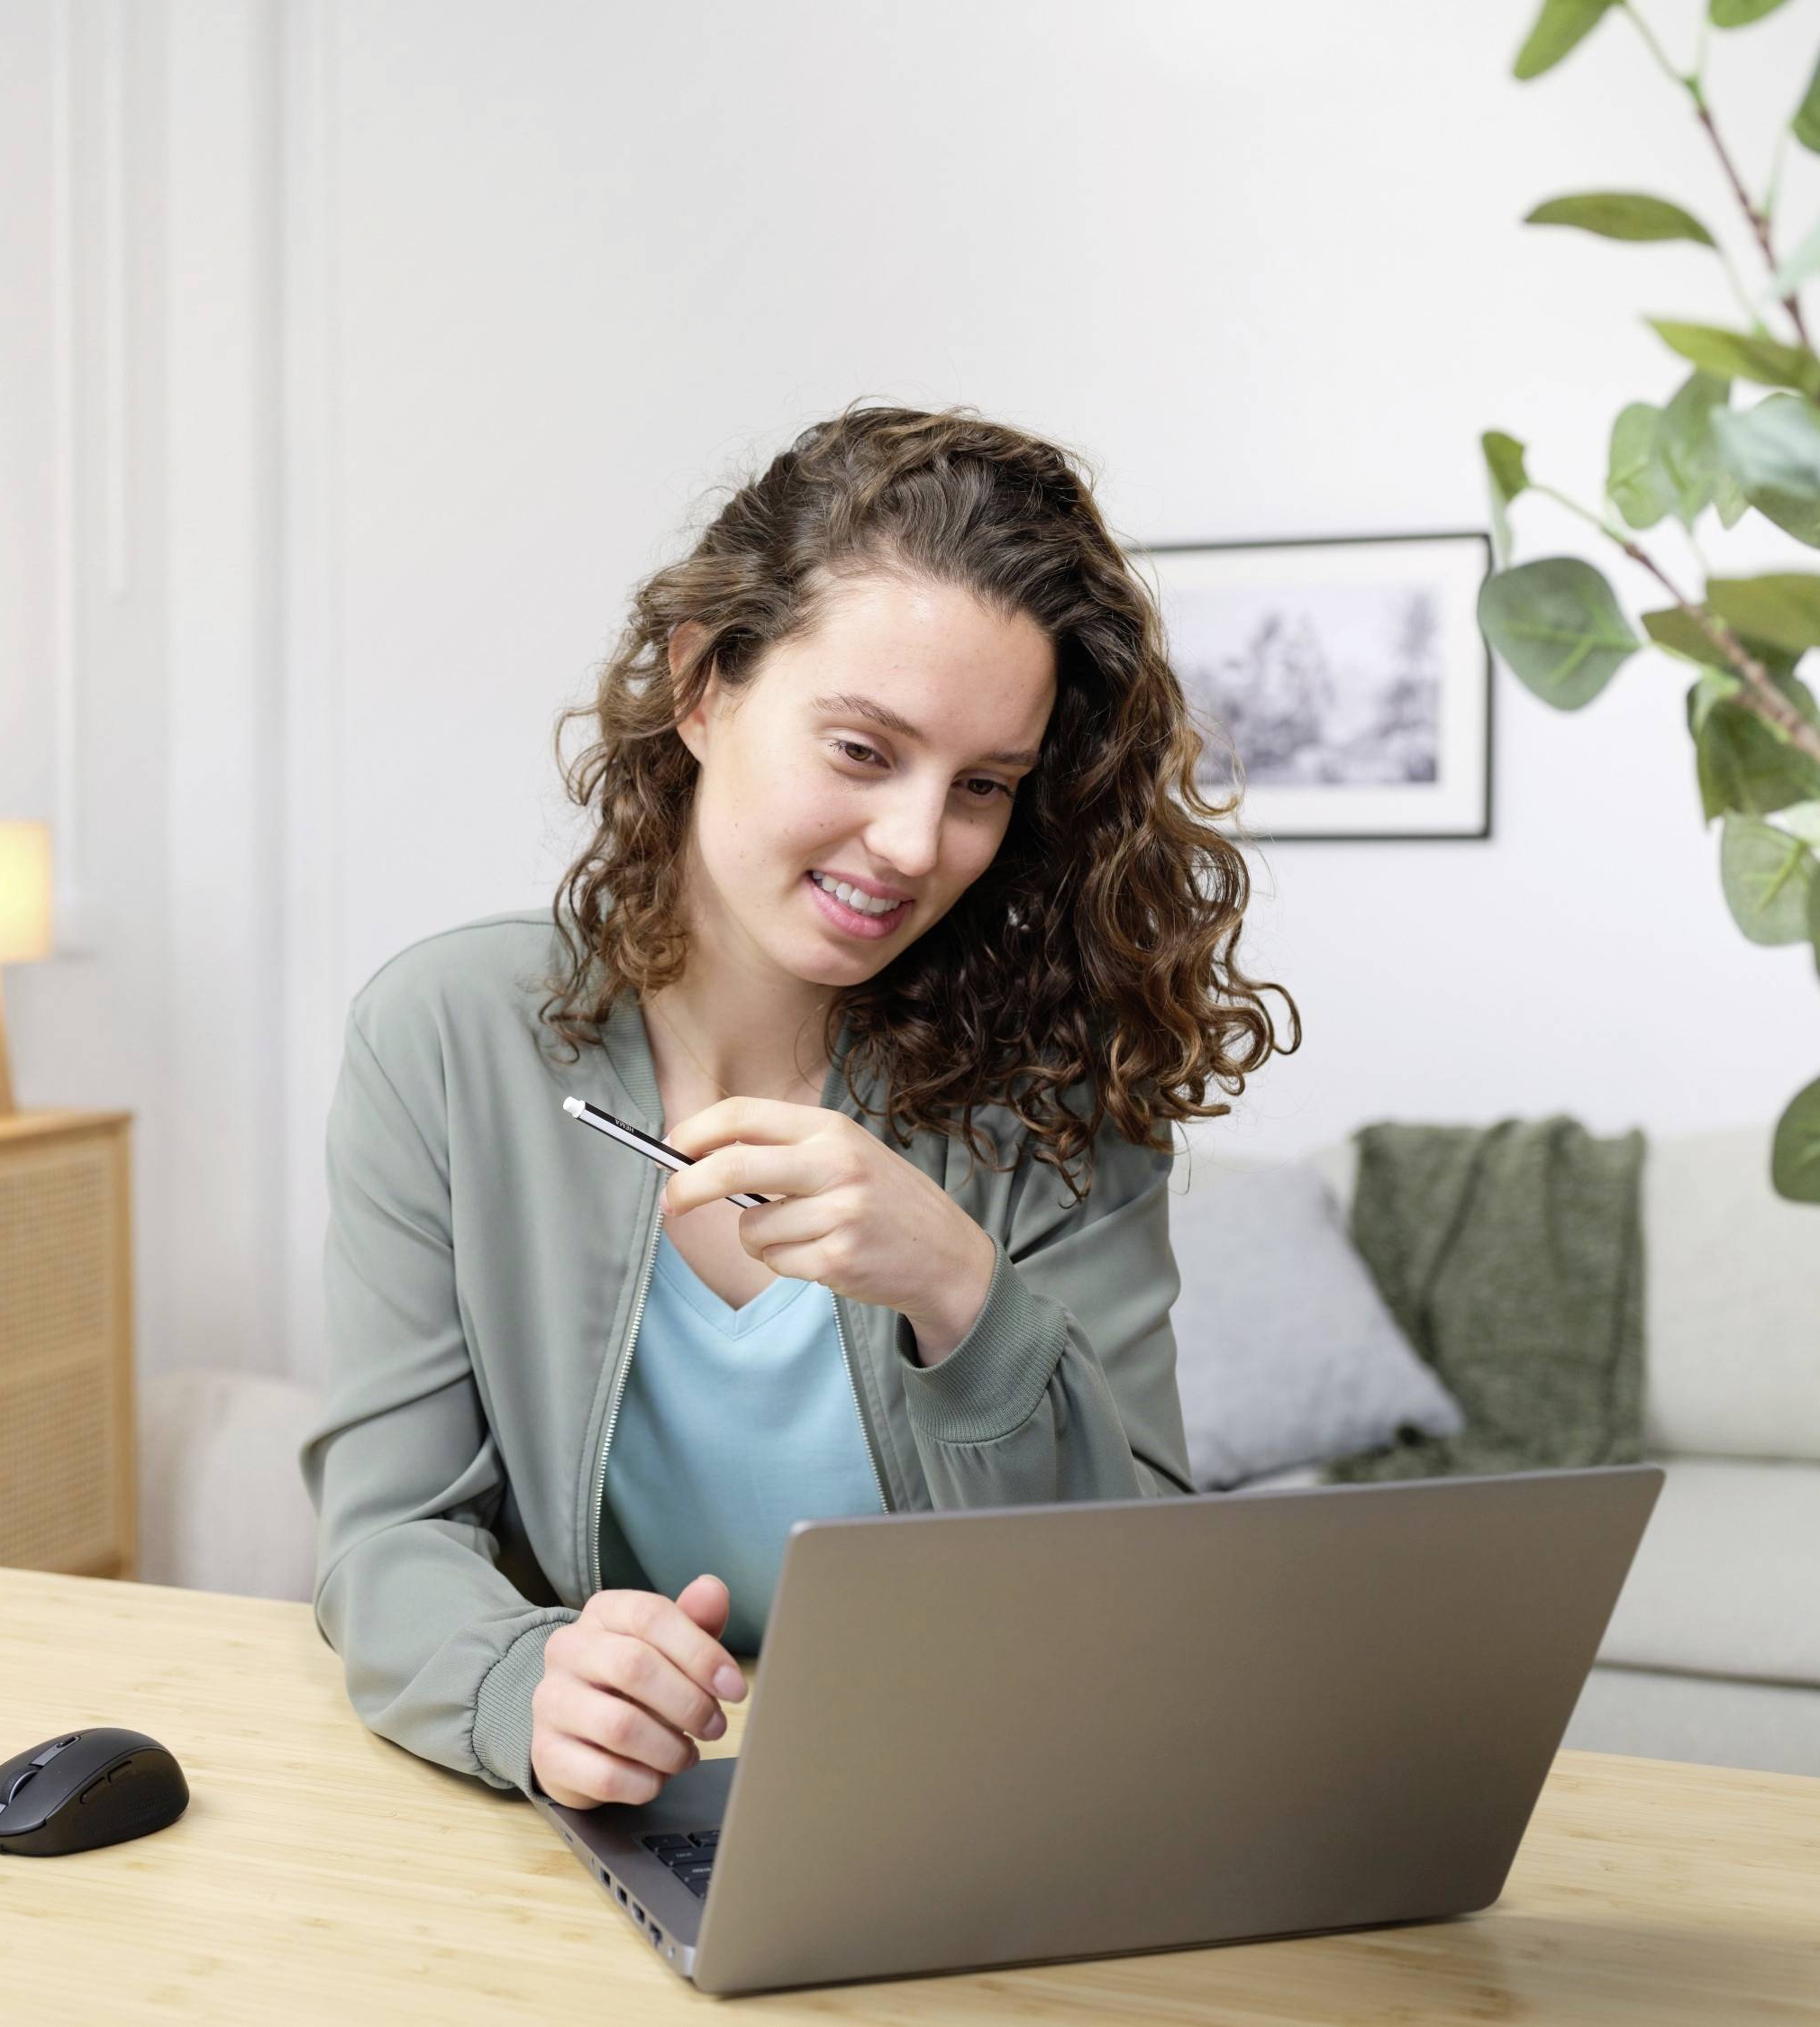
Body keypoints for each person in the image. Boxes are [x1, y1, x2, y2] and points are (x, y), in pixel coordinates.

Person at [298, 404, 1298, 1813]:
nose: (914, 845)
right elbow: (386, 1533)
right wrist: (524, 1685)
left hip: (983, 1805)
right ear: (702, 686)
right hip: (628, 1827)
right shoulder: (445, 1039)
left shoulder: (1065, 1092)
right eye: (863, 750)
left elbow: (1131, 1596)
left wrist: (960, 1288)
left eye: (984, 787)